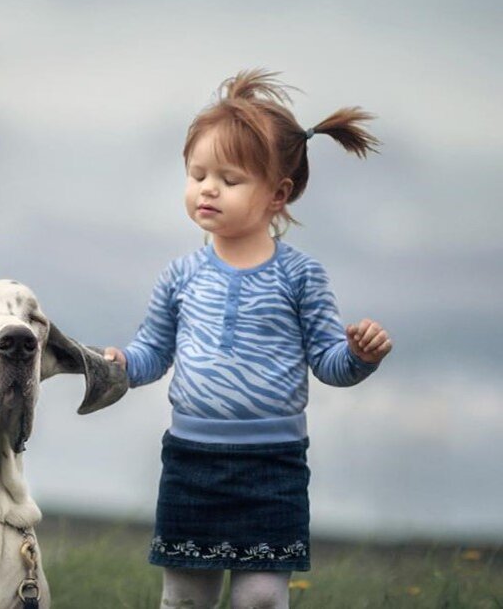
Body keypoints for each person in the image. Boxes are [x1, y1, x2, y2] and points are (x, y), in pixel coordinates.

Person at [102, 69, 393, 609]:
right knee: (185, 598)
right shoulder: (179, 276)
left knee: (259, 598)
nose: (208, 188)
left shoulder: (301, 276)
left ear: (278, 194)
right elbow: (152, 354)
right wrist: (118, 362)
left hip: (273, 465)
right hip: (191, 460)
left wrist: (358, 354)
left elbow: (330, 364)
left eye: (229, 180)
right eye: (197, 175)